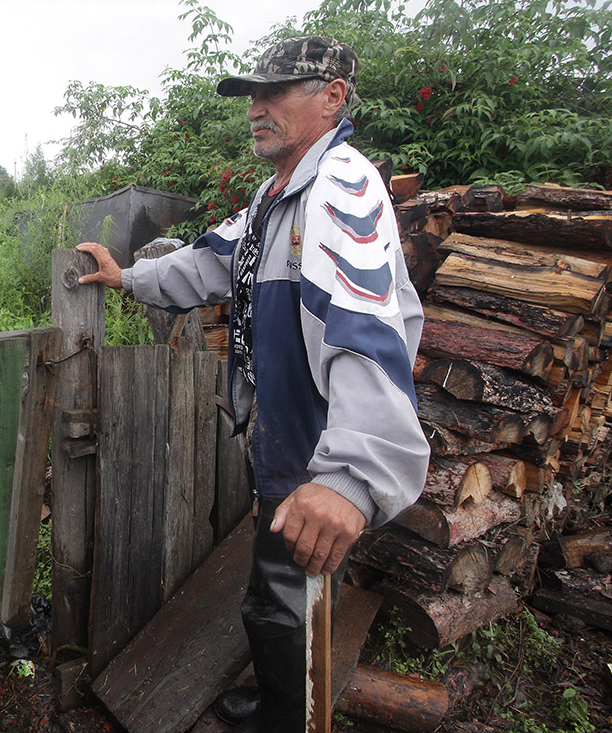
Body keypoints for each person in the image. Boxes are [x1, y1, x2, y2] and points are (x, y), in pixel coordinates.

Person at [76, 36, 429, 732]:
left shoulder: (342, 187)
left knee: (284, 595)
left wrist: (352, 476)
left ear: (332, 98)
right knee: (276, 593)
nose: (256, 109)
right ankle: (278, 705)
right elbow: (211, 263)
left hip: (316, 456)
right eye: (251, 96)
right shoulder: (277, 197)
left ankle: (286, 718)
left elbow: (364, 327)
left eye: (276, 93)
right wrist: (128, 277)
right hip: (285, 440)